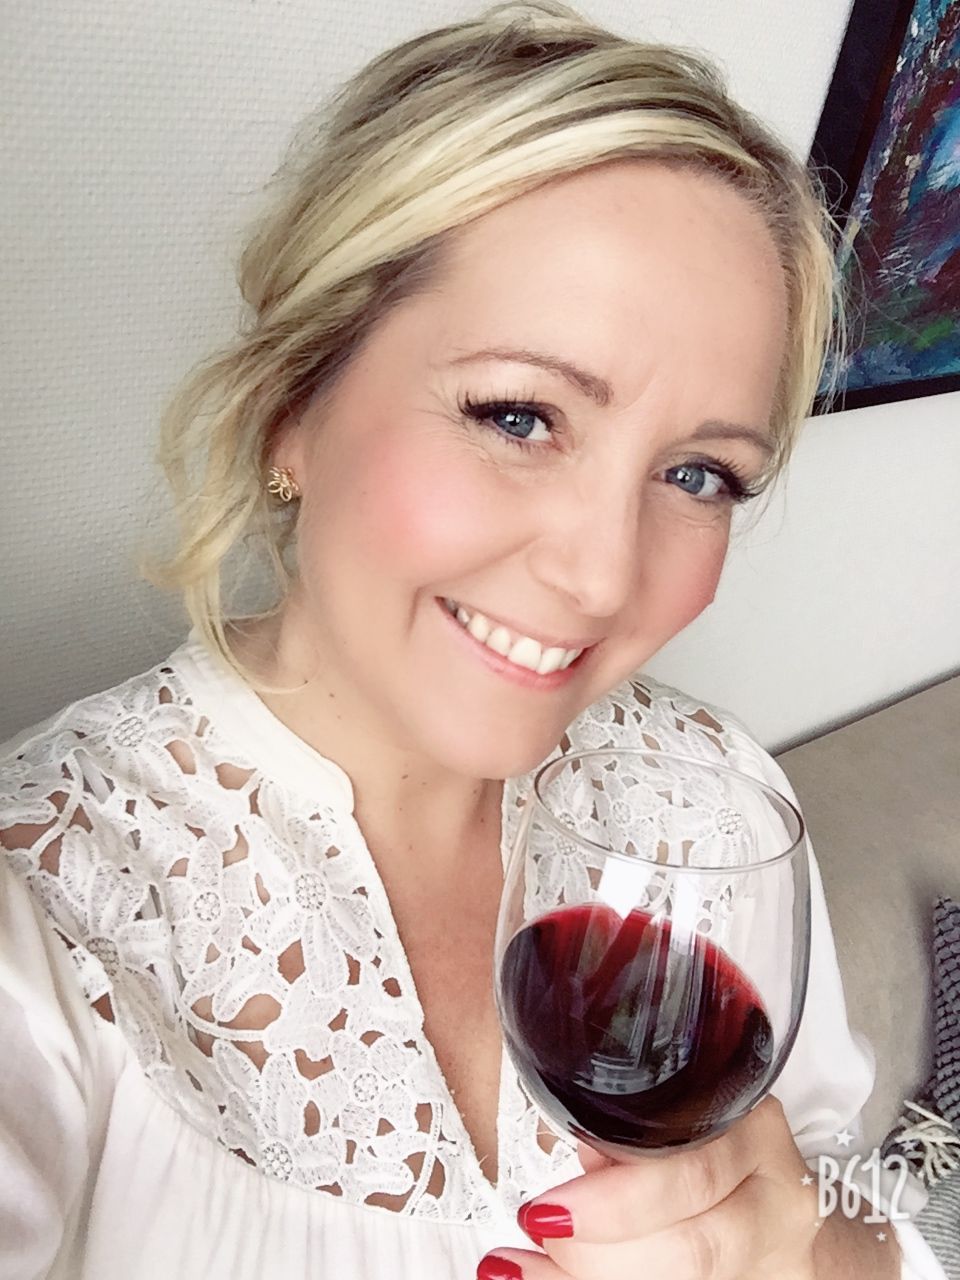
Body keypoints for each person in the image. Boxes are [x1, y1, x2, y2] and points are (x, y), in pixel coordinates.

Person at [0, 3, 947, 1278]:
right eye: (517, 415)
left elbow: (832, 1168)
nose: (602, 575)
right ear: (292, 406)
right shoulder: (47, 914)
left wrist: (811, 1256)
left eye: (699, 474)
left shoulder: (716, 804)